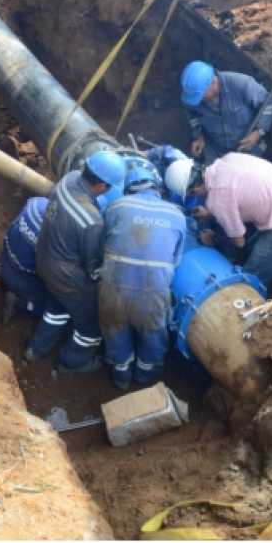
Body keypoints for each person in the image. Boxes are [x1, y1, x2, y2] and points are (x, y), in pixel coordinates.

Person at [26, 150, 126, 373]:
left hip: (44, 257)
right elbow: (92, 266)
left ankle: (36, 350)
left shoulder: (69, 178)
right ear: (101, 186)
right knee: (91, 324)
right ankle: (70, 363)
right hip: (66, 276)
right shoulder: (91, 221)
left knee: (57, 307)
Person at [99, 159, 186, 389]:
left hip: (113, 288)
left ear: (128, 188)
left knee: (115, 330)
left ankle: (121, 376)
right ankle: (144, 376)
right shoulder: (178, 215)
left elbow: (103, 242)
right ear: (157, 187)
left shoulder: (116, 206)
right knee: (153, 335)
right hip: (153, 292)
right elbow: (176, 260)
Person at [188, 152, 272, 289]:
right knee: (248, 254)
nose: (194, 198)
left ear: (195, 188)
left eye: (190, 194)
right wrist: (211, 213)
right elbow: (233, 195)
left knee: (249, 281)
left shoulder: (218, 200)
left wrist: (215, 239)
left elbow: (239, 242)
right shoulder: (225, 160)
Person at [180, 60, 272, 163]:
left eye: (200, 96)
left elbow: (268, 103)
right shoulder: (194, 97)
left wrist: (258, 133)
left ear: (213, 82)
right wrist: (199, 136)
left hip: (247, 148)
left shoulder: (241, 84)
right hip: (216, 150)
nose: (198, 100)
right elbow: (193, 114)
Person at [0, 197, 49, 324]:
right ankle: (19, 303)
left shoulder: (36, 203)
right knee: (50, 309)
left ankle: (0, 276)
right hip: (23, 283)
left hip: (4, 260)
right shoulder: (56, 237)